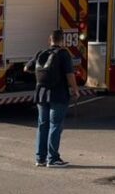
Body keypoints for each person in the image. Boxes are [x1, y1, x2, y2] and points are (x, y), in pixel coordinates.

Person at [25, 29, 79, 168]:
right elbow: (69, 74)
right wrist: (75, 89)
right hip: (58, 94)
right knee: (55, 125)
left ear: (50, 40)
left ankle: (40, 158)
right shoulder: (63, 54)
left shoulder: (41, 53)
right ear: (62, 41)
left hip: (41, 94)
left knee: (43, 125)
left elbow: (26, 68)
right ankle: (53, 159)